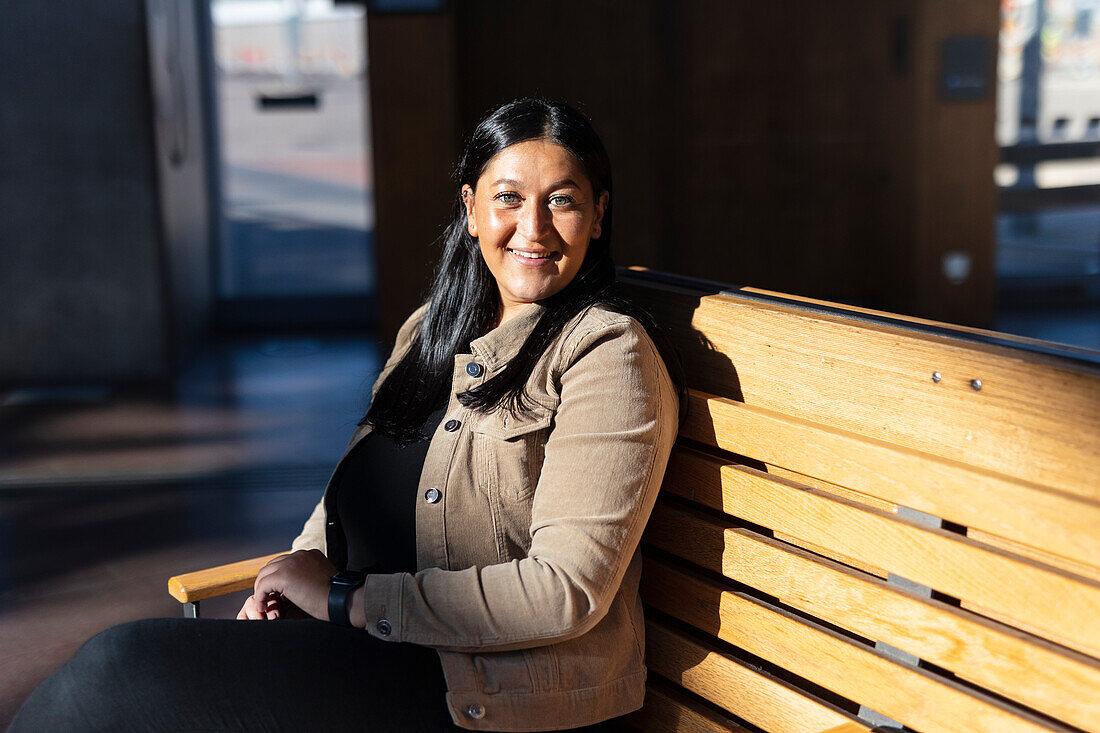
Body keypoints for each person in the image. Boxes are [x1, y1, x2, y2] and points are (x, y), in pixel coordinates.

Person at [8, 98, 683, 732]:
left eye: (560, 201)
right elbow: (352, 495)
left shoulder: (605, 352)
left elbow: (565, 588)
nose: (532, 227)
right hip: (382, 650)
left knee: (121, 670)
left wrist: (345, 599)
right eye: (508, 197)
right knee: (120, 680)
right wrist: (289, 577)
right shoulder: (431, 332)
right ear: (471, 209)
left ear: (597, 215)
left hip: (488, 691)